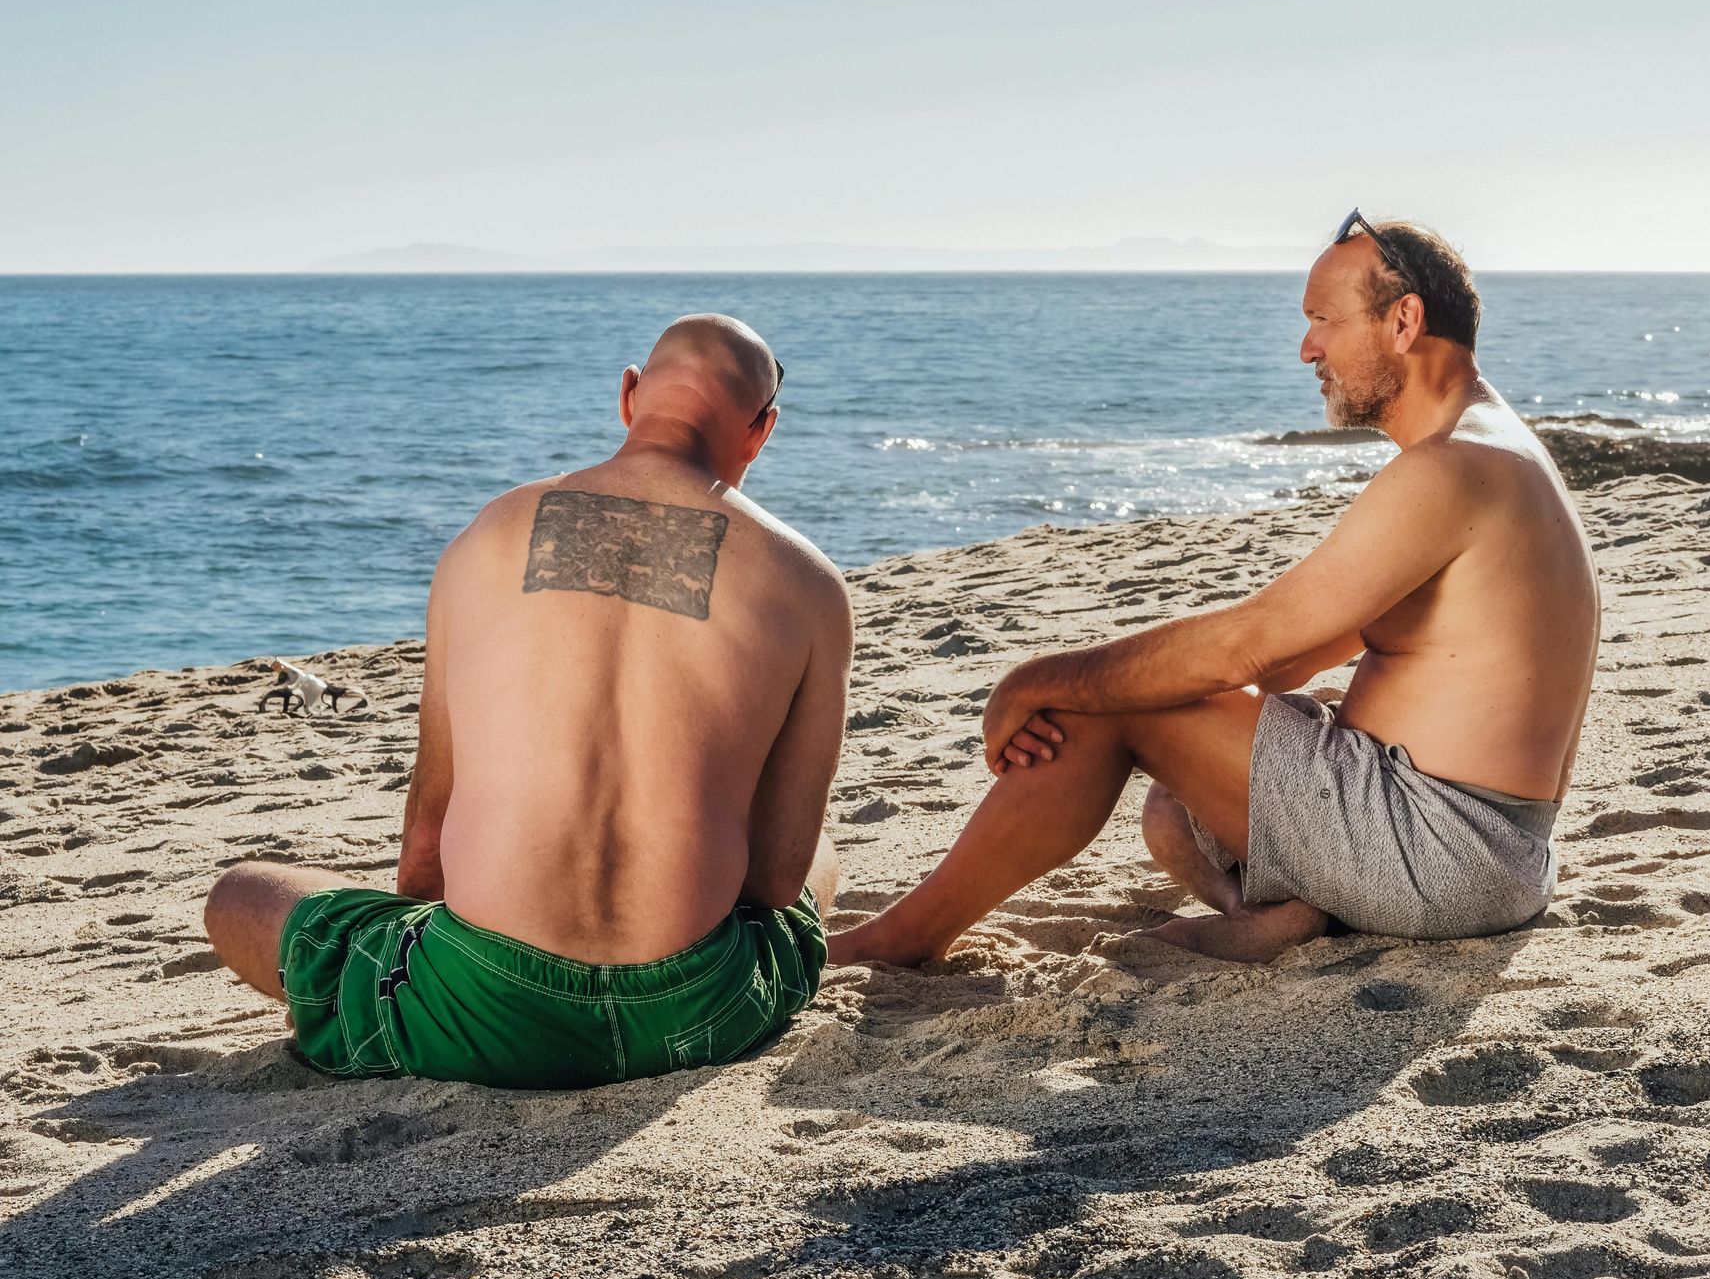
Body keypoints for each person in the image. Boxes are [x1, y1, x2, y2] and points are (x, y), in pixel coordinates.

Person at [829, 213, 1599, 967]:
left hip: (1438, 849)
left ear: (1403, 321)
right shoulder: (1496, 451)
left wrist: (1040, 681)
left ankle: (906, 938)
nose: (1307, 349)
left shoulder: (1450, 470)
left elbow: (1248, 644)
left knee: (1100, 706)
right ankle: (1263, 914)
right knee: (1173, 805)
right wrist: (1194, 730)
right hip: (1498, 857)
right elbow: (1288, 657)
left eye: (1324, 320)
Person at [204, 315, 851, 1086]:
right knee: (821, 851)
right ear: (762, 430)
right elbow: (776, 883)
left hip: (483, 1011)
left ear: (628, 394)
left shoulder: (486, 538)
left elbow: (423, 856)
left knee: (240, 896)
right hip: (697, 1011)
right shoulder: (808, 584)